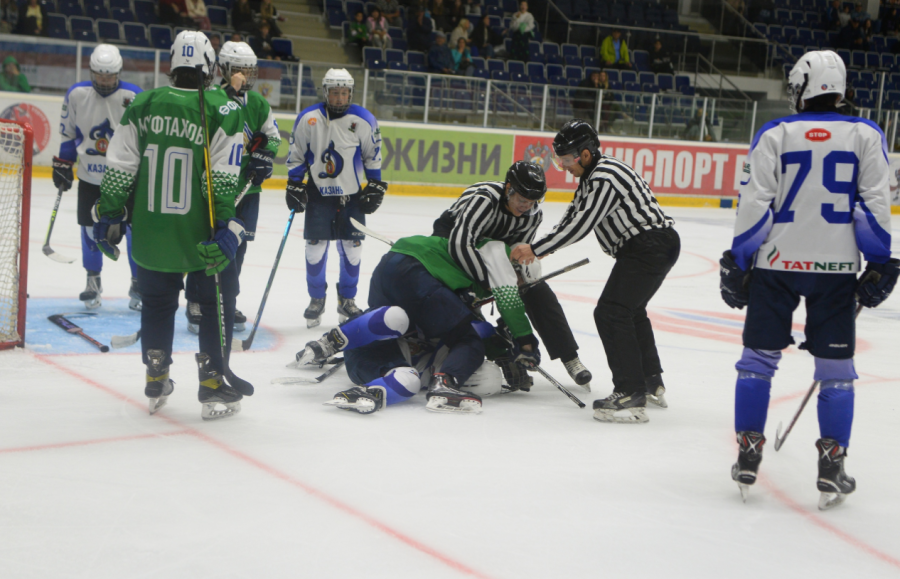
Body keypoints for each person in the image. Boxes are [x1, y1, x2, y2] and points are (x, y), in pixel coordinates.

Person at [720, 50, 897, 509]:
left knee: (756, 361)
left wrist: (739, 260)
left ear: (803, 86)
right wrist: (880, 260)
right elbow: (873, 205)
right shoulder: (865, 134)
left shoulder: (775, 133)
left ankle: (748, 453)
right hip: (836, 272)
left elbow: (755, 204)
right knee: (836, 371)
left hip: (776, 265)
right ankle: (832, 466)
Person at [93, 31, 249, 420]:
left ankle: (156, 374)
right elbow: (222, 179)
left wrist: (110, 214)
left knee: (157, 304)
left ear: (172, 65)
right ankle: (212, 381)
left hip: (150, 233)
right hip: (200, 235)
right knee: (214, 304)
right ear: (210, 68)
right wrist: (225, 223)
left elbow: (120, 168)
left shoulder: (142, 104)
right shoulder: (224, 108)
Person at [510, 119, 679, 424]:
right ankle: (649, 379)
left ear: (585, 154)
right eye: (559, 161)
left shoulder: (604, 176)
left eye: (566, 160)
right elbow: (571, 216)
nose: (563, 167)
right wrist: (541, 246)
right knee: (630, 311)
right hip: (648, 247)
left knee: (611, 312)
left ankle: (630, 392)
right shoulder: (590, 179)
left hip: (649, 246)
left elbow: (581, 225)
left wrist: (535, 249)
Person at [292, 233, 541, 414]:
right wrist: (516, 344)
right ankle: (331, 341)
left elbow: (476, 331)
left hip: (371, 355)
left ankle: (362, 379)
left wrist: (504, 348)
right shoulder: (463, 334)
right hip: (378, 327)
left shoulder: (425, 372)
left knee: (409, 379)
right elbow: (478, 330)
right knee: (397, 318)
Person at [432, 161, 593, 392]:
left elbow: (517, 254)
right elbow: (459, 243)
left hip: (494, 255)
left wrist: (518, 276)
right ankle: (500, 348)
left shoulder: (532, 215)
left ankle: (569, 356)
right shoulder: (485, 199)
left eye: (533, 202)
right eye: (522, 200)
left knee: (533, 281)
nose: (526, 206)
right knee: (467, 309)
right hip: (453, 248)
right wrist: (483, 283)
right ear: (508, 189)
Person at [185, 41, 280, 335]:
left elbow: (273, 136)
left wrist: (264, 155)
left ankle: (227, 300)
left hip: (247, 192)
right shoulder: (210, 99)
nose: (245, 76)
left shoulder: (258, 104)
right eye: (239, 69)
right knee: (209, 243)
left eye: (249, 70)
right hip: (214, 191)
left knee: (236, 249)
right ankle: (195, 300)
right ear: (224, 69)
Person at [285, 68, 386, 328]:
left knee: (353, 249)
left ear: (350, 93)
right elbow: (297, 153)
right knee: (315, 248)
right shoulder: (308, 118)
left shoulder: (364, 119)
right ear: (325, 92)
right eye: (334, 92)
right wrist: (294, 183)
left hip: (352, 197)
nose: (339, 98)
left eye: (344, 93)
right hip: (318, 195)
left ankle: (347, 300)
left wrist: (375, 185)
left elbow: (372, 155)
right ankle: (316, 298)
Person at [53, 45, 142, 311]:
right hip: (90, 177)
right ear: (91, 71)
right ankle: (93, 281)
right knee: (90, 230)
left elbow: (144, 137)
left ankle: (138, 283)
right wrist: (64, 163)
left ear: (119, 72)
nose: (104, 81)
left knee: (132, 230)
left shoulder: (134, 96)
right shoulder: (77, 94)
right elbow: (68, 133)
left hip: (126, 179)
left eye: (109, 76)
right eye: (100, 75)